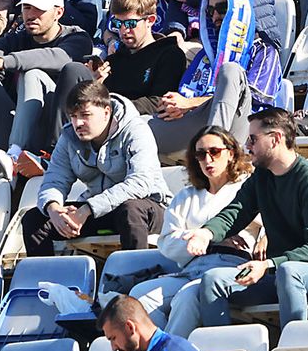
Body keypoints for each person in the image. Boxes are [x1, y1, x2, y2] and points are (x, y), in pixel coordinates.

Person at [168, 106, 308, 332]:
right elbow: (235, 212)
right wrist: (206, 233)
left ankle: (290, 348)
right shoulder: (261, 178)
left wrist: (267, 264)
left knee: (290, 271)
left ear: (275, 139)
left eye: (253, 139)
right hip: (277, 274)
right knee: (213, 279)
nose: (247, 146)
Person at [100, 125, 254, 325]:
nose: (208, 160)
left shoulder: (246, 187)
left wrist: (193, 235)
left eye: (214, 152)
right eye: (200, 154)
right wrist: (205, 237)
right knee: (138, 296)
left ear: (231, 153)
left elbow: (264, 223)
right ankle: (163, 346)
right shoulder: (186, 196)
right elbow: (167, 243)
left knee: (186, 298)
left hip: (230, 267)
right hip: (192, 269)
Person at [0, 0, 95, 181]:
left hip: (52, 134)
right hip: (14, 124)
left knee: (33, 73)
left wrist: (1, 62)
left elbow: (58, 57)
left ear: (59, 12)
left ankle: (14, 156)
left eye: (39, 9)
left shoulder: (77, 37)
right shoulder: (18, 37)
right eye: (26, 7)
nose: (30, 15)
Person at [22, 79, 167, 255]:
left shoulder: (136, 130)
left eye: (85, 115)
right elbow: (54, 179)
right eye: (73, 116)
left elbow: (140, 183)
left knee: (130, 210)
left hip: (150, 209)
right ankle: (44, 282)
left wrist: (88, 208)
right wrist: (53, 208)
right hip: (97, 212)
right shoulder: (68, 136)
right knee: (34, 219)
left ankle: (136, 277)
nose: (78, 123)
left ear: (107, 112)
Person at [148, 0, 280, 161]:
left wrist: (190, 103)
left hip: (244, 128)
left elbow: (254, 100)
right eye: (210, 11)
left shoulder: (263, 51)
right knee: (132, 124)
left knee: (231, 70)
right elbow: (185, 96)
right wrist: (172, 107)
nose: (215, 16)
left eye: (222, 9)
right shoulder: (205, 55)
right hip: (195, 125)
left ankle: (215, 149)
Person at [57, 0, 189, 136]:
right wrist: (96, 85)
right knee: (74, 71)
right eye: (118, 24)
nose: (123, 30)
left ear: (151, 20)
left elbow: (159, 101)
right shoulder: (115, 59)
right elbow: (97, 102)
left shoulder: (170, 54)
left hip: (141, 124)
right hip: (107, 122)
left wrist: (113, 107)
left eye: (130, 23)